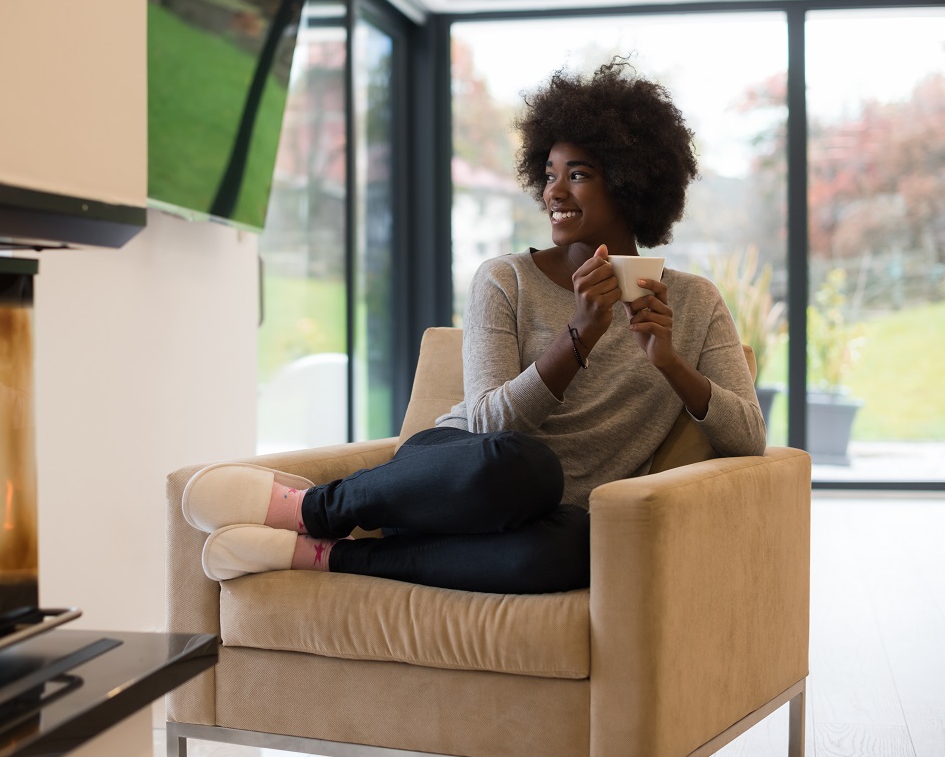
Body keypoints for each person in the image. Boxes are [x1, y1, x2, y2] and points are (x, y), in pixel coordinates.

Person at [182, 59, 767, 595]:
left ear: (631, 181)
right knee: (528, 467)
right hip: (465, 469)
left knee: (577, 548)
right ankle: (312, 508)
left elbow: (749, 438)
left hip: (551, 519)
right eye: (549, 173)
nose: (553, 192)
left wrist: (669, 361)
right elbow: (489, 421)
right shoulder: (504, 280)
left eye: (578, 174)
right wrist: (578, 338)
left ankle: (329, 556)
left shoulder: (692, 302)